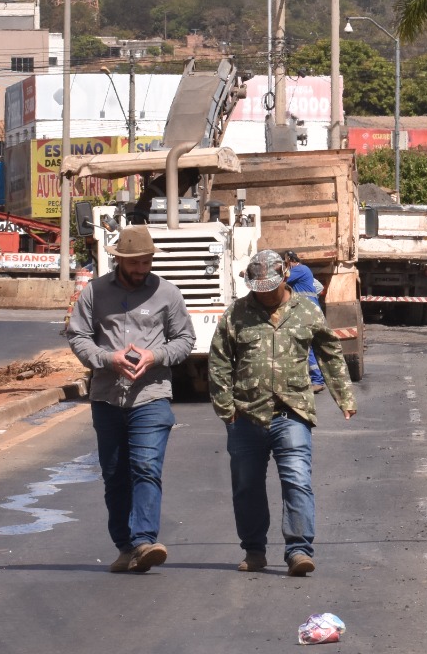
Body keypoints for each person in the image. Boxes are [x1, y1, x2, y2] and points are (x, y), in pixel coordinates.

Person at [209, 250, 356, 577]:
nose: (263, 293)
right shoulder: (236, 314)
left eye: (269, 287)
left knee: (297, 480)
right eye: (258, 287)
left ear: (285, 276)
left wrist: (343, 396)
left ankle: (299, 550)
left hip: (293, 413)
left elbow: (330, 354)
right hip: (246, 415)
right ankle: (254, 549)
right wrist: (225, 407)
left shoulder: (307, 311)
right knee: (246, 485)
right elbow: (219, 360)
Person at [66, 226, 194, 575]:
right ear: (119, 260)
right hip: (107, 398)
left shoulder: (168, 293)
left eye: (147, 262)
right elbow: (77, 335)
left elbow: (185, 340)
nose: (142, 269)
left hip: (151, 396)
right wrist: (108, 359)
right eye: (136, 262)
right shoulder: (94, 293)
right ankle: (125, 546)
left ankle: (144, 541)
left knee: (146, 468)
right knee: (115, 475)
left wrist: (154, 357)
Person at [284, 253, 328, 393]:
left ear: (291, 261)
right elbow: (319, 287)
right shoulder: (305, 272)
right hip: (311, 312)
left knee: (305, 346)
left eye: (285, 262)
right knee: (310, 346)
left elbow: (281, 279)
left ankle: (317, 380)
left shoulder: (299, 270)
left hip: (306, 313)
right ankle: (315, 379)